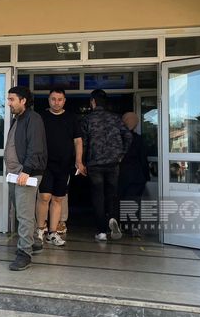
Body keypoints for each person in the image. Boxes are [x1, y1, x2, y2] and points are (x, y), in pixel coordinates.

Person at [80, 89, 132, 242]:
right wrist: (121, 154)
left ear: (93, 102)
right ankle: (113, 218)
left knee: (98, 196)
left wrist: (81, 162)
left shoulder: (87, 119)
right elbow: (128, 136)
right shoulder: (115, 118)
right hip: (113, 162)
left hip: (94, 163)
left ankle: (102, 232)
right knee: (112, 194)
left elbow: (83, 143)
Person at [5, 86, 47, 271]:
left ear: (23, 101)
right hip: (15, 174)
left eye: (12, 99)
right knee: (22, 211)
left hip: (25, 173)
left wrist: (27, 170)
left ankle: (24, 254)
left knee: (24, 214)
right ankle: (34, 242)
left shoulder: (33, 118)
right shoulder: (18, 119)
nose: (9, 103)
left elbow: (36, 146)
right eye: (8, 99)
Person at [36, 88, 84, 246]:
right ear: (48, 100)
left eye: (60, 99)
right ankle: (39, 231)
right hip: (45, 164)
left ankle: (52, 233)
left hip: (64, 165)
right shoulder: (41, 117)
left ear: (64, 101)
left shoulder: (72, 118)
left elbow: (78, 141)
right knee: (44, 197)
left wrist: (79, 161)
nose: (56, 102)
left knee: (58, 199)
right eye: (53, 99)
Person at [118, 112, 150, 231]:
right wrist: (146, 176)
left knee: (120, 200)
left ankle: (122, 225)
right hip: (136, 176)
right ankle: (133, 227)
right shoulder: (138, 139)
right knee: (134, 201)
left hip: (120, 175)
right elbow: (143, 159)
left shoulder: (117, 139)